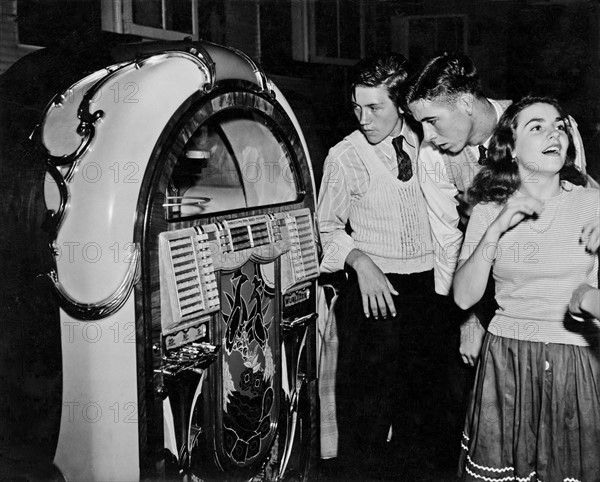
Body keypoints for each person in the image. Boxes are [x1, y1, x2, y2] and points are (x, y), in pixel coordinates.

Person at [405, 52, 596, 367]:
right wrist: (469, 319)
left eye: (431, 120)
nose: (428, 136)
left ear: (466, 104)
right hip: (487, 297)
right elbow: (448, 242)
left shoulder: (547, 124)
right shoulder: (433, 156)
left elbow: (578, 221)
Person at [317, 53, 454, 478]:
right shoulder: (344, 157)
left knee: (424, 413)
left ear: (401, 104)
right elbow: (325, 226)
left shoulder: (433, 144)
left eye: (375, 107)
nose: (363, 118)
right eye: (357, 107)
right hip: (374, 296)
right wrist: (359, 260)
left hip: (430, 293)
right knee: (367, 416)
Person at [452, 96, 600, 481]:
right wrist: (498, 226)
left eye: (560, 126)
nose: (555, 133)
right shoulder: (488, 209)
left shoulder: (594, 203)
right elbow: (465, 296)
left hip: (577, 362)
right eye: (537, 126)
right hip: (507, 362)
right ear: (510, 146)